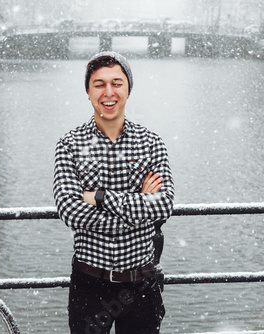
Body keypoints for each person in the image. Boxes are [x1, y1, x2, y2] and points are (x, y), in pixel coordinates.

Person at [53, 51, 175, 334]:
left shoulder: (151, 143)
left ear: (129, 89)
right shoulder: (69, 145)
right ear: (88, 91)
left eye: (117, 83)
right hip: (89, 283)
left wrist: (99, 197)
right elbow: (70, 212)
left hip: (141, 284)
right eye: (99, 84)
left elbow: (164, 205)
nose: (109, 92)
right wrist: (138, 208)